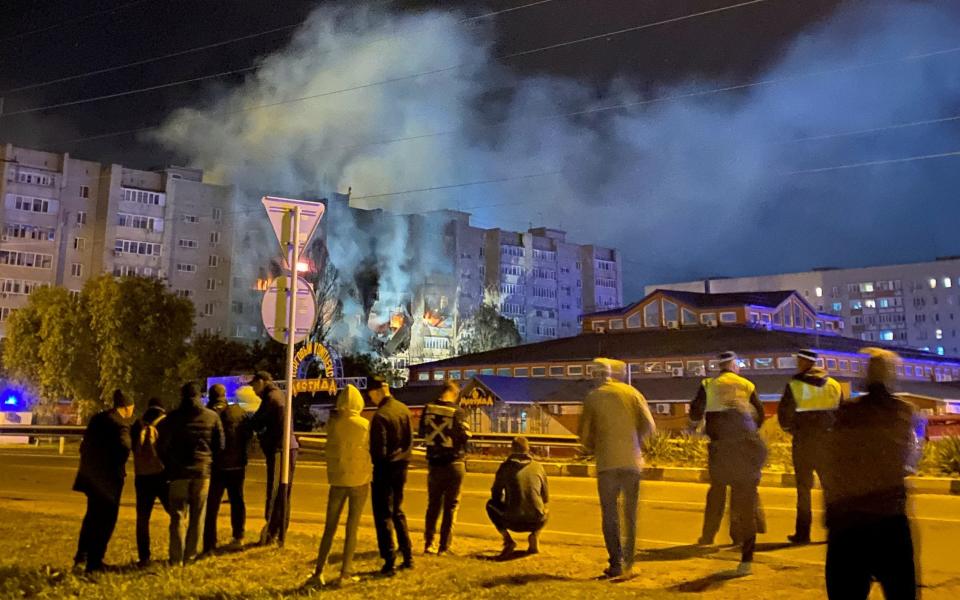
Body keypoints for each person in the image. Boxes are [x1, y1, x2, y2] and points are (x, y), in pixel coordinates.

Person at [822, 348, 919, 599]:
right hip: (888, 519)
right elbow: (908, 460)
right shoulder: (904, 413)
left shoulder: (846, 412)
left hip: (847, 523)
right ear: (892, 377)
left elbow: (832, 462)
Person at [689, 351, 767, 576]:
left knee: (717, 491)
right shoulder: (747, 384)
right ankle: (739, 538)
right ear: (733, 366)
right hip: (744, 446)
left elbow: (696, 409)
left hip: (719, 447)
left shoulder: (708, 383)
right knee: (742, 495)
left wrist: (696, 424)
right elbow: (760, 413)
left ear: (720, 366)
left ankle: (708, 536)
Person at [579, 358, 656, 579]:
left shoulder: (592, 398)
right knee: (630, 515)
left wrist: (597, 444)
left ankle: (615, 563)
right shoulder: (631, 393)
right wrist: (635, 441)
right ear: (611, 373)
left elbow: (584, 437)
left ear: (594, 376)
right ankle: (630, 565)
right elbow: (649, 426)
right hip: (632, 462)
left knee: (610, 515)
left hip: (606, 464)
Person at [307, 385, 372, 587]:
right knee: (352, 528)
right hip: (360, 481)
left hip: (337, 482)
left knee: (330, 527)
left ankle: (319, 571)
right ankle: (345, 573)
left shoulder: (333, 425)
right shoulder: (364, 425)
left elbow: (329, 452)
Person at [777, 349, 843, 545]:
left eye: (799, 361)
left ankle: (803, 534)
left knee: (803, 489)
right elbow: (842, 414)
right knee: (831, 489)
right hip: (828, 443)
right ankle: (835, 530)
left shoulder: (794, 385)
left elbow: (784, 415)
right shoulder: (834, 385)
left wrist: (793, 430)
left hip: (804, 443)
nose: (797, 364)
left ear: (806, 363)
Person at [158, 382, 224, 565]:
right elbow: (220, 445)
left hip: (178, 473)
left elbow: (161, 445)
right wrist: (208, 460)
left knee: (178, 516)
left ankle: (175, 559)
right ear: (199, 396)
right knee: (198, 516)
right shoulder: (212, 417)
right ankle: (190, 557)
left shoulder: (172, 418)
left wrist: (169, 465)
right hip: (202, 472)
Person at [72, 390, 135, 573]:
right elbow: (124, 447)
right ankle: (95, 562)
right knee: (106, 520)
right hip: (108, 480)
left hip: (90, 477)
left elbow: (84, 446)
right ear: (126, 407)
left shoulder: (97, 419)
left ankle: (81, 557)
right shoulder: (120, 425)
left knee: (91, 517)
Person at [419, 380, 471, 555]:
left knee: (433, 505)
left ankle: (429, 543)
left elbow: (421, 433)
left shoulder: (428, 409)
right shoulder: (457, 412)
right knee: (450, 506)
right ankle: (444, 546)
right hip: (453, 463)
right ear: (453, 393)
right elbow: (465, 435)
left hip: (434, 463)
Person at [369, 376, 414, 575]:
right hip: (402, 468)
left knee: (383, 515)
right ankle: (408, 555)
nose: (370, 399)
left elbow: (378, 452)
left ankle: (389, 561)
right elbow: (409, 441)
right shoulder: (403, 409)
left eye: (370, 395)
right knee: (398, 511)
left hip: (384, 471)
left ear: (378, 391)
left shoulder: (381, 416)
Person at [250, 371, 299, 546]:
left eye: (254, 385)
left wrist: (261, 435)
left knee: (276, 492)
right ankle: (279, 533)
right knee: (283, 493)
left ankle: (271, 533)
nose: (254, 390)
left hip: (280, 449)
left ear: (262, 382)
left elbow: (256, 421)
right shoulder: (278, 395)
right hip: (286, 448)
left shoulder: (271, 398)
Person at [203, 384, 252, 554]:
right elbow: (248, 435)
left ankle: (209, 543)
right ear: (225, 395)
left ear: (210, 396)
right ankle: (238, 536)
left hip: (216, 466)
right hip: (237, 465)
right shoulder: (238, 411)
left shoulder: (208, 414)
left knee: (211, 505)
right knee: (237, 500)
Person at [486, 436, 549, 557]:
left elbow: (496, 496)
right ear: (528, 449)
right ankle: (535, 536)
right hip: (536, 521)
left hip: (512, 522)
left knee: (490, 505)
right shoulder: (538, 467)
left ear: (512, 449)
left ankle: (508, 541)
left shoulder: (505, 467)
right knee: (546, 509)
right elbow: (545, 497)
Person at [130, 397, 168, 567]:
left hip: (142, 476)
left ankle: (144, 557)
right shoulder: (165, 423)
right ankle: (178, 551)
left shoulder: (137, 425)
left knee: (143, 518)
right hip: (161, 475)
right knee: (176, 513)